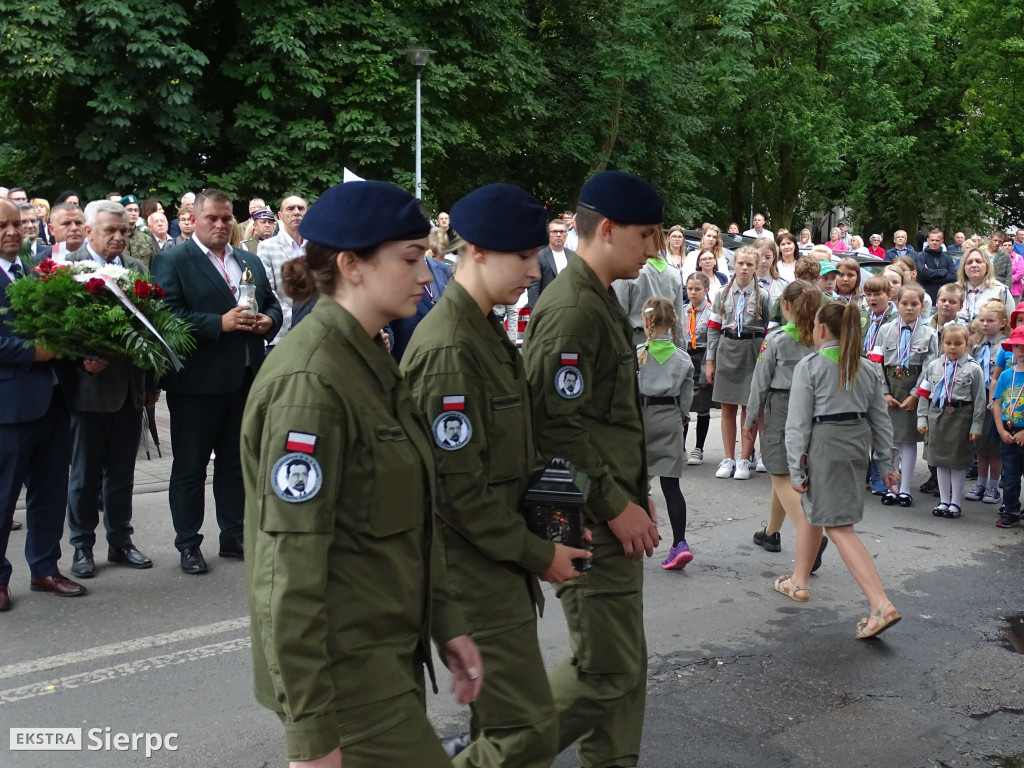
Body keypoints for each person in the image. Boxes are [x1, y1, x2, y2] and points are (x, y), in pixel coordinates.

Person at [241, 179, 482, 767]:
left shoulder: (368, 356)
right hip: (347, 681)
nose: (427, 275)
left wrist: (444, 622)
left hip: (384, 657)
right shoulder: (313, 385)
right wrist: (312, 736)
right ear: (351, 265)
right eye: (410, 258)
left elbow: (403, 523)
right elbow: (287, 571)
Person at [402, 182, 590, 767]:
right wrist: (541, 554)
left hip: (497, 562)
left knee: (507, 729)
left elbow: (516, 455)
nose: (535, 272)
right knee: (525, 728)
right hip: (471, 571)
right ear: (477, 250)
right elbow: (458, 491)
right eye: (524, 257)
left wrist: (559, 525)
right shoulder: (451, 347)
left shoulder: (485, 331)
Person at [522, 170, 662, 768]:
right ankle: (487, 756)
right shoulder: (574, 306)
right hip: (583, 513)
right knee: (606, 667)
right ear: (607, 229)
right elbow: (554, 426)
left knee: (624, 661)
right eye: (646, 235)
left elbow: (607, 422)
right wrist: (615, 504)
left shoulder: (598, 296)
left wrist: (636, 495)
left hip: (608, 504)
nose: (654, 249)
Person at [151, 189, 283, 574]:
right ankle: (188, 543)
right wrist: (217, 324)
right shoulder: (173, 260)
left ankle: (234, 534)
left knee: (233, 463)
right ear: (194, 218)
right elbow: (164, 318)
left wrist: (269, 321)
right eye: (213, 218)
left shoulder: (247, 260)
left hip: (244, 377)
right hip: (196, 383)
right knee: (191, 467)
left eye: (227, 219)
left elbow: (271, 302)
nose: (221, 225)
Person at [778, 301, 902, 640]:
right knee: (817, 513)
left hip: (825, 446)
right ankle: (798, 581)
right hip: (855, 444)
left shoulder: (811, 365)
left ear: (820, 330)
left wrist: (796, 469)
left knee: (838, 527)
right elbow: (881, 421)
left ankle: (880, 605)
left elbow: (797, 425)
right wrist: (887, 465)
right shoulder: (867, 367)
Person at [0, 198, 86, 611]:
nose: (13, 231)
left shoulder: (36, 270)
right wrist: (29, 352)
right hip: (10, 405)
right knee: (3, 497)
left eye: (17, 224)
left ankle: (45, 569)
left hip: (54, 398)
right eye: (4, 225)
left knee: (51, 491)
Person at [65, 200, 158, 578]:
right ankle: (82, 547)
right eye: (110, 231)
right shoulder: (67, 270)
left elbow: (153, 329)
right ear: (89, 232)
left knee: (122, 475)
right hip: (87, 392)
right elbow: (56, 331)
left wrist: (152, 385)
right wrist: (81, 357)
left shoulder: (136, 269)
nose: (119, 237)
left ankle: (121, 541)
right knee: (85, 476)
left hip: (130, 390)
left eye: (124, 231)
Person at [745, 282, 822, 559]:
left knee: (778, 470)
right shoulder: (820, 338)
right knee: (786, 469)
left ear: (786, 306)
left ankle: (809, 534)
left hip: (782, 405)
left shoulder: (776, 339)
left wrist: (751, 418)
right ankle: (771, 532)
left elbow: (760, 381)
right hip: (813, 406)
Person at [636, 298, 694, 570]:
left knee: (635, 481)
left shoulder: (637, 355)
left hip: (642, 420)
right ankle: (679, 543)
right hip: (670, 419)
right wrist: (681, 417)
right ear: (673, 323)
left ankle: (639, 535)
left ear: (645, 322)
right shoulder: (682, 358)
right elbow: (686, 398)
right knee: (672, 487)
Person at [868, 283, 938, 507]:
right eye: (904, 303)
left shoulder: (929, 334)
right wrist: (884, 392)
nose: (909, 308)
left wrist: (916, 394)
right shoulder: (886, 329)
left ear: (922, 305)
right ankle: (892, 487)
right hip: (890, 388)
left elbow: (930, 367)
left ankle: (905, 488)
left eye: (914, 304)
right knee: (890, 441)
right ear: (896, 304)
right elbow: (876, 362)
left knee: (908, 442)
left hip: (911, 391)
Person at [707, 246, 771, 480]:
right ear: (734, 264)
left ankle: (744, 458)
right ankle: (728, 458)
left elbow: (769, 330)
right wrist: (710, 361)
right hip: (727, 348)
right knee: (727, 407)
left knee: (749, 406)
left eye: (749, 265)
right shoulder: (722, 293)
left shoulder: (762, 295)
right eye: (741, 263)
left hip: (752, 350)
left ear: (756, 267)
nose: (744, 268)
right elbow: (713, 330)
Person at [915, 324, 986, 518]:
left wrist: (976, 425)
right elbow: (924, 394)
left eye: (958, 343)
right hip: (938, 416)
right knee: (940, 462)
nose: (952, 347)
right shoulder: (934, 366)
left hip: (961, 417)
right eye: (948, 343)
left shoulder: (973, 369)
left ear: (967, 344)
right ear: (941, 344)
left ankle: (955, 503)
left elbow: (980, 399)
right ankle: (943, 501)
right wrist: (922, 418)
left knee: (957, 462)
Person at [965, 300, 1011, 506]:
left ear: (1002, 323)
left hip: (996, 399)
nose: (984, 324)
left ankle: (993, 486)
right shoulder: (977, 344)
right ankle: (980, 483)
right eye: (982, 320)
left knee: (994, 446)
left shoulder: (1007, 346)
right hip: (978, 397)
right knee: (981, 444)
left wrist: (996, 400)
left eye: (990, 321)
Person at [615, 228, 686, 347]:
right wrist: (681, 348)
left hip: (635, 342)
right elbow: (678, 318)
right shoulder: (674, 274)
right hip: (666, 343)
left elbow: (618, 315)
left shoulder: (627, 271)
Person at [992, 325, 1024, 528]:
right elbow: (996, 403)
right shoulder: (1006, 375)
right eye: (1017, 346)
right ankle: (1011, 509)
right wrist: (1001, 429)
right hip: (1009, 432)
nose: (1020, 350)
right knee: (1010, 474)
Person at [681, 272, 714, 466]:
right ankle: (681, 446)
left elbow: (711, 343)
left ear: (706, 290)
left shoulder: (711, 313)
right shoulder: (683, 311)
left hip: (702, 358)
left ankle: (699, 448)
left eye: (697, 289)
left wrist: (706, 371)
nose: (693, 292)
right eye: (690, 289)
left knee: (702, 406)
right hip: (685, 359)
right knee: (684, 405)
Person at [526, 217, 576, 310]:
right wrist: (536, 316)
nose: (558, 234)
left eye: (562, 232)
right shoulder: (539, 256)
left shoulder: (573, 256)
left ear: (566, 234)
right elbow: (534, 289)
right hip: (548, 310)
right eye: (554, 231)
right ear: (548, 234)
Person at [957, 247, 1013, 319]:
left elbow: (1010, 323)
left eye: (979, 261)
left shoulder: (1001, 291)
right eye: (969, 262)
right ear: (963, 268)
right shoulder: (955, 290)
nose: (974, 265)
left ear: (987, 266)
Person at [915, 229, 956, 303]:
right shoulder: (920, 256)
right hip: (925, 297)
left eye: (937, 240)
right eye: (932, 240)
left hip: (944, 298)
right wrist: (943, 272)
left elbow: (953, 277)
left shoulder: (947, 258)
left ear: (942, 241)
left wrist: (930, 278)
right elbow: (922, 274)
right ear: (928, 240)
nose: (934, 242)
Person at [753, 236, 788, 307]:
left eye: (768, 257)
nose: (763, 261)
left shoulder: (783, 285)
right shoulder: (745, 283)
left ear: (774, 258)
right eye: (759, 256)